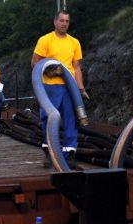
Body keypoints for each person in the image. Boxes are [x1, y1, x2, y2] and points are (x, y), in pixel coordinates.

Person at [32, 10, 87, 167]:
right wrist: (49, 71)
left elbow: (76, 67)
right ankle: (49, 151)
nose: (64, 24)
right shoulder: (45, 40)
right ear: (55, 22)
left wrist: (81, 88)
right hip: (50, 86)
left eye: (67, 21)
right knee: (50, 118)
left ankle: (69, 152)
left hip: (69, 87)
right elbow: (35, 63)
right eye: (61, 21)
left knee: (72, 118)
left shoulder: (74, 42)